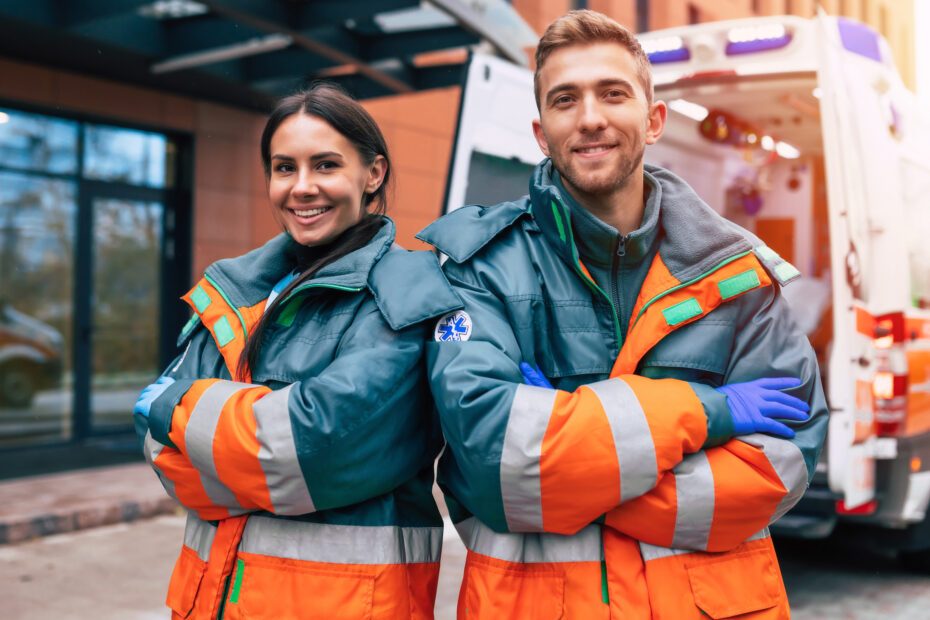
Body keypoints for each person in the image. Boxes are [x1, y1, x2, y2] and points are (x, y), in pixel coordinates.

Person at [420, 10, 827, 619]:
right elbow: (492, 469)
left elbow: (782, 464)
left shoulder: (736, 274)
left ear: (654, 119)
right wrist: (706, 415)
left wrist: (567, 459)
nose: (590, 118)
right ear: (541, 131)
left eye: (613, 94)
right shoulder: (479, 269)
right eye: (566, 99)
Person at [133, 83, 462, 620]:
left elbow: (317, 447)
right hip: (207, 602)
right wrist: (254, 454)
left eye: (326, 165)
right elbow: (158, 454)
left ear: (372, 174)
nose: (302, 188)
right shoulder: (238, 288)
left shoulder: (407, 293)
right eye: (284, 168)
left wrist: (179, 410)